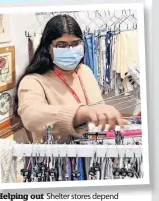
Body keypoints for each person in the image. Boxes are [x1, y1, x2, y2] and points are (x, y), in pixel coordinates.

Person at [14, 14, 124, 142]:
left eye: (75, 43)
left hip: (94, 154)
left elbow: (98, 115)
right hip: (57, 159)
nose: (70, 50)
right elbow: (32, 117)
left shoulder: (85, 71)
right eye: (61, 45)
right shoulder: (33, 81)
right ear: (48, 48)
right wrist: (83, 113)